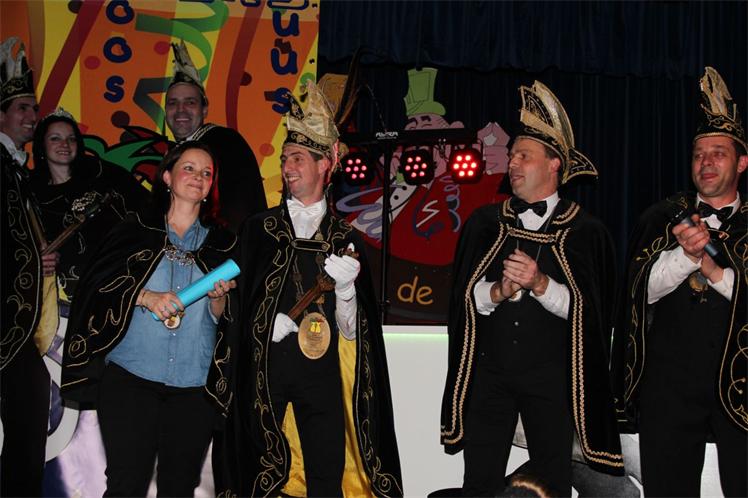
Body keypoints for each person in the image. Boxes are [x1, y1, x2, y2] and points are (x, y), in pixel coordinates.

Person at [210, 81, 403, 497]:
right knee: (257, 477)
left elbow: (354, 335)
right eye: (284, 159)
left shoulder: (345, 238)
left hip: (322, 376)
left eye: (297, 158)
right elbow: (234, 307)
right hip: (265, 373)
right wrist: (262, 325)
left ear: (325, 164)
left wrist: (347, 292)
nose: (288, 167)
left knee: (326, 477)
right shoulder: (259, 229)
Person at [440, 80, 624, 496]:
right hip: (490, 375)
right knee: (479, 482)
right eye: (511, 155)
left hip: (551, 379)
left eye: (524, 155)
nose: (513, 163)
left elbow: (591, 315)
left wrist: (541, 284)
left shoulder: (585, 231)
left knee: (552, 481)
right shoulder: (486, 223)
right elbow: (464, 301)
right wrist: (499, 291)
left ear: (554, 164)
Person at [60, 141, 237, 497]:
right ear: (168, 177)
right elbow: (96, 286)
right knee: (126, 485)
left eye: (206, 173)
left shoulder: (224, 244)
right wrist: (144, 297)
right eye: (189, 168)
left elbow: (227, 321)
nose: (198, 177)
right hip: (131, 378)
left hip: (194, 386)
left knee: (179, 488)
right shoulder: (133, 229)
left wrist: (219, 299)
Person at [612, 66, 747, 497]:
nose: (706, 163)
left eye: (718, 153)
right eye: (699, 154)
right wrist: (685, 256)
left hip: (742, 382)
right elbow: (638, 295)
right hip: (669, 385)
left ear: (742, 162)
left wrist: (715, 272)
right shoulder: (662, 217)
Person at [0, 36, 59, 497]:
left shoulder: (17, 169)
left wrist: (40, 259)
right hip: (5, 322)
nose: (31, 116)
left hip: (15, 326)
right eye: (22, 108)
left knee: (32, 406)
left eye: (33, 108)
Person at [30, 108, 149, 311]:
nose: (65, 144)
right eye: (55, 138)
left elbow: (147, 209)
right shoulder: (31, 194)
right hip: (63, 302)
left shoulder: (105, 175)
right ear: (42, 145)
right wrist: (37, 260)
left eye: (71, 139)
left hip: (120, 286)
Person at [164, 40, 267, 231]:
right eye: (172, 103)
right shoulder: (170, 153)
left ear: (204, 110)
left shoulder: (226, 143)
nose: (180, 110)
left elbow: (240, 211)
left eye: (190, 102)